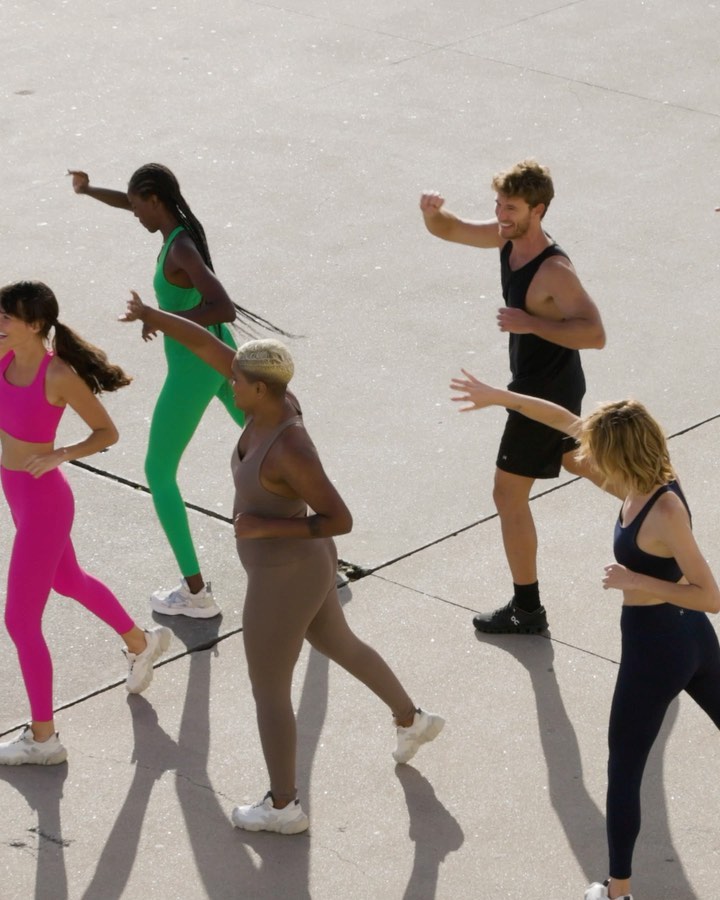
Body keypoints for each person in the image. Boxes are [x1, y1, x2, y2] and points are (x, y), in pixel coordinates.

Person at [121, 292, 445, 834]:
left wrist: (264, 526)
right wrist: (153, 317)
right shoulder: (267, 396)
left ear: (260, 389)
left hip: (286, 574)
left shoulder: (290, 446)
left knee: (268, 688)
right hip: (301, 568)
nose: (228, 384)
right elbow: (206, 344)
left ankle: (283, 806)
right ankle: (412, 720)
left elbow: (340, 517)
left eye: (236, 381)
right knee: (340, 643)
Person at [450, 370, 720, 900]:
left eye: (597, 450)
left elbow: (710, 595)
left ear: (621, 452)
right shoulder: (642, 484)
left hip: (659, 649)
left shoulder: (665, 509)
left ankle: (618, 891)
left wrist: (636, 581)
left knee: (624, 769)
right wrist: (499, 398)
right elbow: (561, 419)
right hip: (689, 639)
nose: (586, 454)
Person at [69, 163, 290, 619]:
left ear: (155, 200)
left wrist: (160, 318)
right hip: (221, 358)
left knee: (158, 471)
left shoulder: (182, 247)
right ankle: (319, 550)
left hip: (196, 368)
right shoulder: (174, 232)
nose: (133, 213)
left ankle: (195, 593)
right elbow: (127, 203)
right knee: (277, 440)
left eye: (137, 205)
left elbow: (222, 307)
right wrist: (89, 191)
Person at [421, 160, 606, 634]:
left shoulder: (554, 269)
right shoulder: (508, 238)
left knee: (507, 493)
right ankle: (658, 498)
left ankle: (527, 610)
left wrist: (531, 324)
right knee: (576, 460)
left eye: (512, 208)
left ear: (538, 210)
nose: (501, 215)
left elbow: (595, 334)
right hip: (546, 381)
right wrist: (432, 213)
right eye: (499, 205)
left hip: (544, 389)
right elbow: (453, 229)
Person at [0, 281, 171, 766]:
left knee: (20, 620)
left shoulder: (58, 374)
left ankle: (44, 739)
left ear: (35, 325)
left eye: (7, 316)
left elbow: (106, 432)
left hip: (45, 502)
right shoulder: (4, 358)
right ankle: (141, 642)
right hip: (16, 491)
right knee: (68, 580)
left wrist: (61, 453)